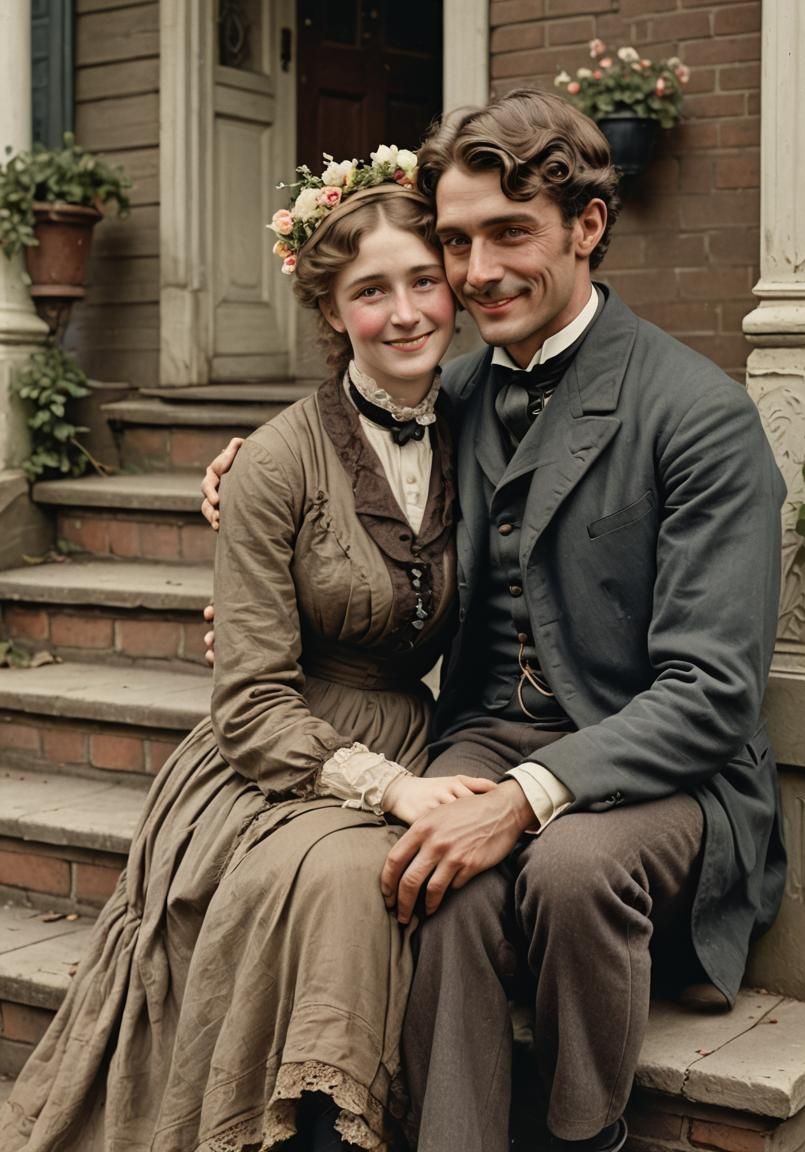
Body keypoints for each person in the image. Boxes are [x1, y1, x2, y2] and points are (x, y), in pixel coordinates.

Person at [201, 91, 787, 1152]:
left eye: (510, 233)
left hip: (664, 774)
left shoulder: (698, 413)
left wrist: (524, 800)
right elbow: (350, 438)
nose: (475, 274)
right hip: (482, 730)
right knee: (438, 882)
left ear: (587, 229)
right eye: (458, 240)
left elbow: (710, 694)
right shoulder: (456, 391)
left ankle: (582, 1136)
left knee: (565, 868)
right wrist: (250, 474)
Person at [2, 149, 496, 1152]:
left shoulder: (484, 420)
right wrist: (390, 790)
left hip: (422, 733)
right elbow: (251, 701)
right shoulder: (275, 461)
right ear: (330, 315)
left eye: (422, 282)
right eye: (369, 293)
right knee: (338, 888)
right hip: (279, 756)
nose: (403, 313)